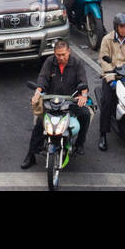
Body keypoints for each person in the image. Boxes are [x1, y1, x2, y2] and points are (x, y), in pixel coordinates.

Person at [23, 40, 90, 168]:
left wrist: (83, 96)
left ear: (68, 52)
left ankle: (79, 144)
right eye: (58, 55)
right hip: (51, 101)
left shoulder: (77, 63)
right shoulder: (49, 62)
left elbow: (83, 82)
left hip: (70, 101)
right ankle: (31, 155)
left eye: (63, 54)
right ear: (54, 53)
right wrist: (37, 93)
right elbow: (42, 79)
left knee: (85, 114)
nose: (61, 57)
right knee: (39, 124)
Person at [97, 13, 125, 151]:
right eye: (121, 27)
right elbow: (103, 60)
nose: (123, 29)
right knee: (107, 102)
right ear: (116, 27)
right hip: (112, 76)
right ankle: (103, 134)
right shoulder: (107, 39)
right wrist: (111, 79)